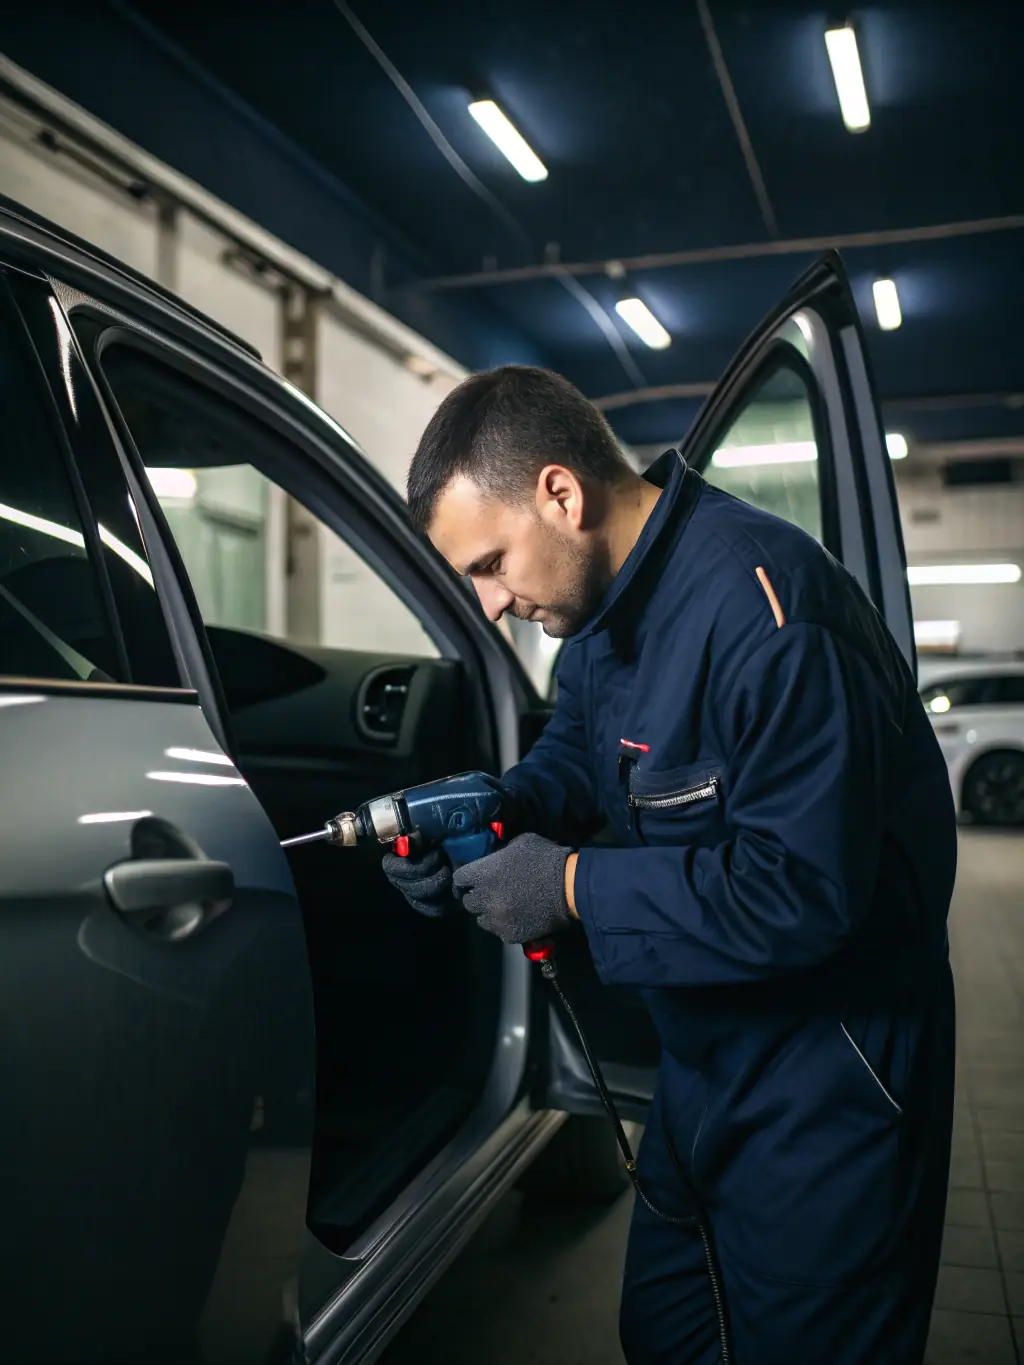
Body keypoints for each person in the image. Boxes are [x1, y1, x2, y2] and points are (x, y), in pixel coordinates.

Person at [385, 365, 957, 1364]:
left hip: (829, 1069)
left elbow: (803, 892)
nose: (488, 606)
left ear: (560, 494)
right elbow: (584, 748)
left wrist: (563, 885)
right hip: (702, 1058)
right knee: (668, 1329)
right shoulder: (597, 619)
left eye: (489, 565)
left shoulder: (771, 618)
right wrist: (500, 806)